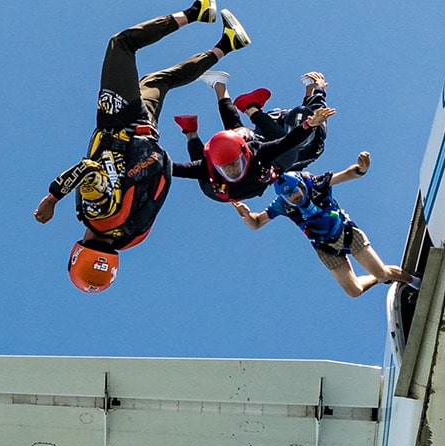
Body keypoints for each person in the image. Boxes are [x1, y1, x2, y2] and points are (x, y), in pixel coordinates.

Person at [34, 1, 251, 293]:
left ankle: (228, 43)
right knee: (121, 44)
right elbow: (87, 170)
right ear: (76, 254)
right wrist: (52, 197)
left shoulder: (132, 235)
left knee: (160, 81)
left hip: (146, 133)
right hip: (120, 122)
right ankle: (194, 13)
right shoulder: (98, 213)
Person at [233, 156, 415, 298]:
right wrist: (246, 215)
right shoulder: (282, 205)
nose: (294, 197)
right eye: (289, 197)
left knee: (383, 273)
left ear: (301, 185)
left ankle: (415, 281)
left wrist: (361, 169)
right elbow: (257, 223)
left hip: (346, 233)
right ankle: (377, 277)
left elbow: (345, 174)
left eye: (295, 192)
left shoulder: (315, 183)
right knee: (354, 291)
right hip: (325, 248)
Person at [170, 72, 334, 203]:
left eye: (232, 164)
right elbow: (290, 139)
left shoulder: (260, 150)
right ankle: (233, 98)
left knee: (207, 177)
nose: (232, 170)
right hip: (268, 154)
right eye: (228, 167)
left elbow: (171, 168)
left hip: (242, 175)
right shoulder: (260, 149)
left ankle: (193, 127)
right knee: (287, 150)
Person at [236, 71, 332, 173]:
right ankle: (251, 107)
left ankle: (250, 107)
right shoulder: (318, 122)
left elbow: (316, 103)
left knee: (277, 145)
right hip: (277, 129)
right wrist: (316, 86)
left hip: (275, 159)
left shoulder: (315, 144)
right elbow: (317, 101)